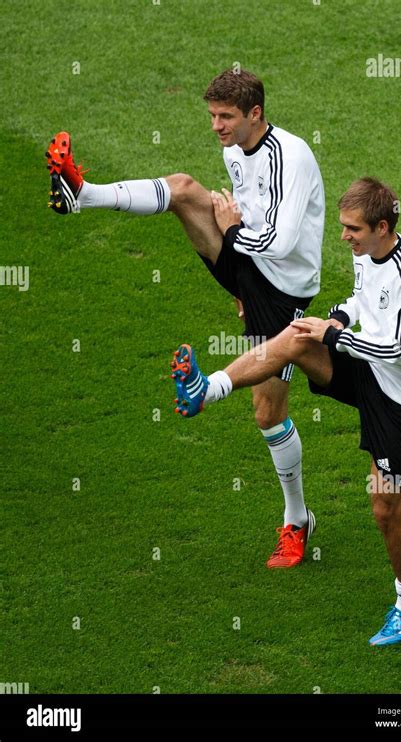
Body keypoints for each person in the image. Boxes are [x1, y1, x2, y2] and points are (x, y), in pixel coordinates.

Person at [45, 69, 325, 569]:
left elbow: (280, 242)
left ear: (255, 114)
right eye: (213, 115)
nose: (216, 126)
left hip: (284, 293)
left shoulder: (293, 157)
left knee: (268, 413)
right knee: (183, 189)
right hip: (249, 267)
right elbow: (247, 219)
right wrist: (236, 247)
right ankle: (82, 194)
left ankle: (297, 519)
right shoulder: (233, 150)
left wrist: (233, 229)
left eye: (226, 117)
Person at [171, 177, 401, 646]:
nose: (344, 237)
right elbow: (361, 300)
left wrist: (335, 337)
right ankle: (206, 388)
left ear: (382, 227)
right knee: (296, 335)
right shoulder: (369, 253)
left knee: (385, 509)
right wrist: (337, 317)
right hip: (367, 368)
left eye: (352, 229)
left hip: (399, 400)